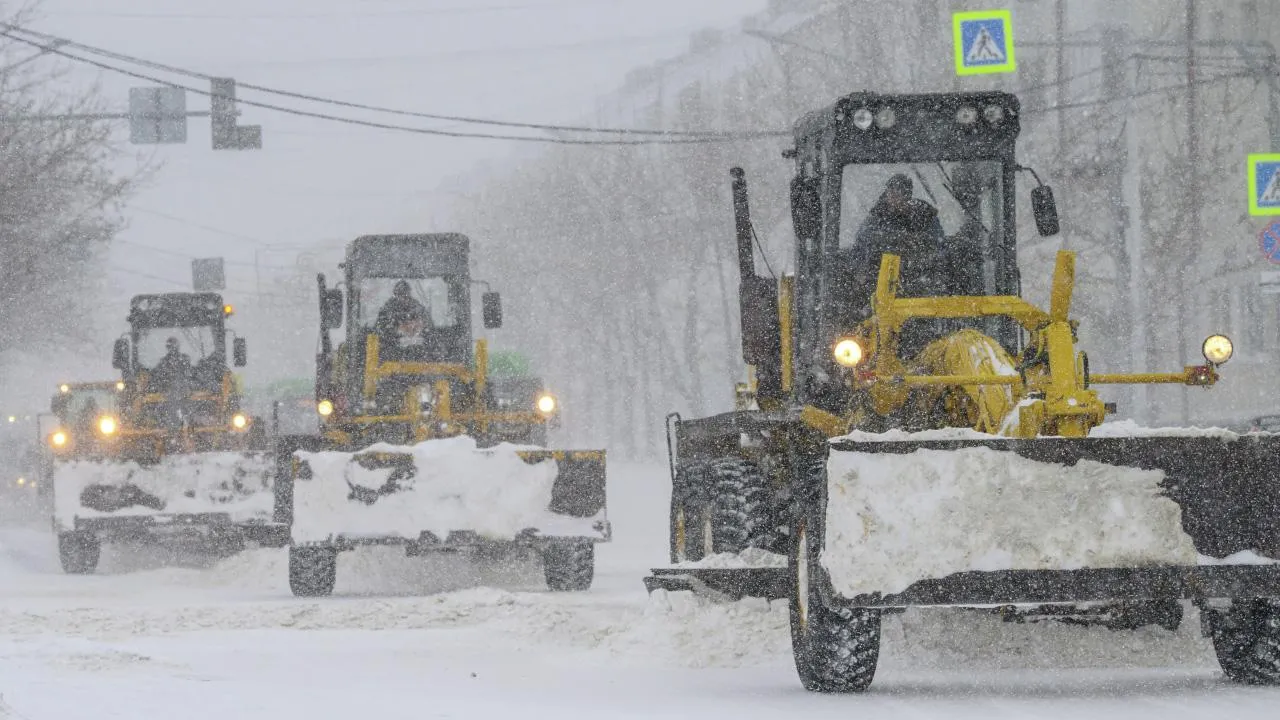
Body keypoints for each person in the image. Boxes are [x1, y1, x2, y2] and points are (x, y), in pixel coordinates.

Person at [375, 280, 431, 352]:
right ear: (396, 294)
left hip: (421, 355)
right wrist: (396, 332)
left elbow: (429, 330)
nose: (403, 298)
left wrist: (417, 332)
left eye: (405, 294)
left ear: (409, 293)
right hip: (390, 354)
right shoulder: (386, 311)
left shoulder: (419, 309)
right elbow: (379, 332)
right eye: (401, 294)